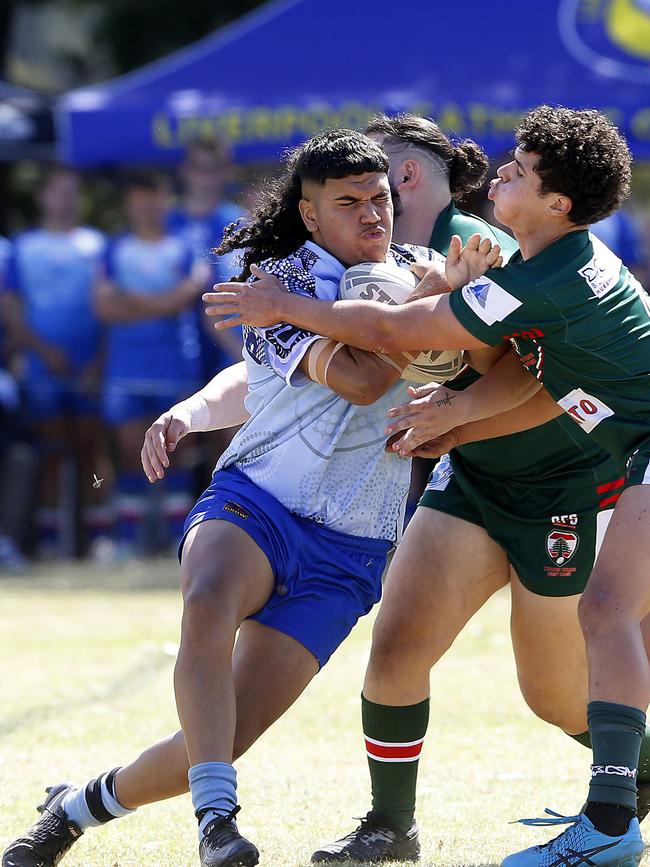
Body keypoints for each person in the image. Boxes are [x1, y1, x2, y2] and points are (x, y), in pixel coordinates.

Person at [1, 130, 496, 867]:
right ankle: (217, 822)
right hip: (258, 496)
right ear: (309, 213)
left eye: (381, 198)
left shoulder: (420, 269)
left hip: (352, 543)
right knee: (207, 598)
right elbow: (359, 379)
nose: (372, 215)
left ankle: (71, 809)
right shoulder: (274, 285)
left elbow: (474, 363)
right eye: (349, 202)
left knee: (217, 738)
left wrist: (456, 314)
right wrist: (428, 313)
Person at [205, 106, 650, 867]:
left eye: (373, 184)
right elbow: (535, 370)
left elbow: (401, 341)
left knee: (557, 687)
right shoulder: (465, 252)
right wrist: (457, 418)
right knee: (399, 643)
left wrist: (285, 310)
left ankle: (619, 800)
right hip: (478, 478)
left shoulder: (500, 256)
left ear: (404, 177)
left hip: (564, 484)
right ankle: (391, 825)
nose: (366, 199)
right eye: (351, 193)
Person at [1, 165, 110, 557]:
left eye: (72, 192)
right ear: (43, 197)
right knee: (51, 452)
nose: (65, 200)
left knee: (92, 453)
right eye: (58, 192)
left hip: (89, 371)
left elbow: (108, 306)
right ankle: (49, 538)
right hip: (42, 369)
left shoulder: (97, 244)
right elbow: (11, 308)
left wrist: (98, 361)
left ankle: (97, 536)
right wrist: (43, 351)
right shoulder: (23, 247)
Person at [96, 170, 204, 555]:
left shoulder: (184, 246)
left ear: (165, 200)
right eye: (140, 198)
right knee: (128, 452)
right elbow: (105, 307)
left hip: (173, 365)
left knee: (173, 451)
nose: (147, 206)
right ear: (130, 203)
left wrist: (134, 301)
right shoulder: (114, 249)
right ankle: (128, 540)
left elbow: (189, 297)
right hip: (126, 368)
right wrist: (165, 301)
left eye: (154, 196)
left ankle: (178, 537)